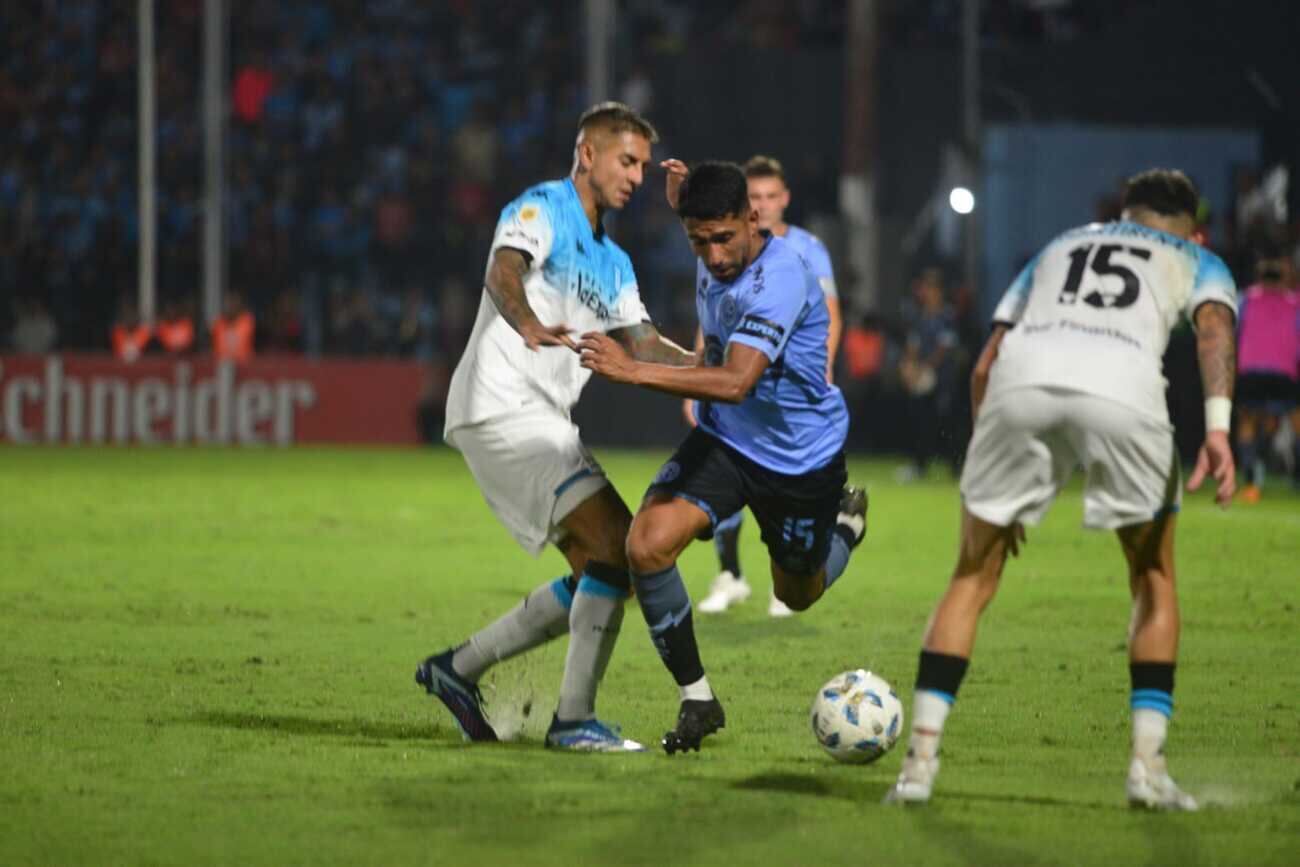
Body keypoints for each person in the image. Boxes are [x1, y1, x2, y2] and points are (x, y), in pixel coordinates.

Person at [883, 169, 1238, 810]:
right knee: (1153, 577)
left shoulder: (1062, 245)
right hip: (1124, 388)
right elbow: (1212, 331)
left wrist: (994, 478)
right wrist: (1218, 430)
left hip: (1020, 386)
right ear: (1193, 225)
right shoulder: (1197, 257)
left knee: (972, 573)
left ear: (1123, 212)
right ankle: (1146, 770)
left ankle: (918, 768)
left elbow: (987, 361)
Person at [416, 103, 695, 752]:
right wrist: (524, 321)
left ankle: (456, 669)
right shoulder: (542, 207)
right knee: (621, 541)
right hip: (504, 405)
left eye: (644, 167)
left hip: (544, 419)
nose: (636, 176)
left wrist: (712, 369)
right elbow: (504, 269)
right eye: (627, 161)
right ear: (587, 153)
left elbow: (646, 345)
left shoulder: (616, 263)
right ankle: (572, 720)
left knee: (608, 566)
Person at [578, 161, 868, 754]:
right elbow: (716, 361)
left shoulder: (784, 275)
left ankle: (845, 528)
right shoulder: (717, 243)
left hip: (797, 460)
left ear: (753, 218)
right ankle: (698, 699)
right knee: (646, 544)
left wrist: (633, 370)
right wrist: (685, 197)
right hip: (729, 440)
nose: (711, 256)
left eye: (723, 239)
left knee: (796, 594)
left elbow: (735, 380)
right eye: (698, 241)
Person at [691, 155, 844, 618]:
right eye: (754, 195)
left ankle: (823, 548)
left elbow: (829, 312)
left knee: (797, 585)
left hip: (784, 402)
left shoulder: (803, 252)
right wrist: (702, 374)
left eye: (770, 196)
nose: (763, 204)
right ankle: (730, 575)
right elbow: (716, 319)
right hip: (736, 394)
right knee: (703, 490)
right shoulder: (722, 247)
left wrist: (825, 367)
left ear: (784, 200)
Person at [1233, 242, 1299, 499]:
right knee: (1295, 422)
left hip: (1251, 372)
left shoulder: (1244, 299)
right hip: (1284, 375)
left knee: (1248, 422)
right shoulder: (1296, 303)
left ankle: (1251, 479)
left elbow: (1233, 331)